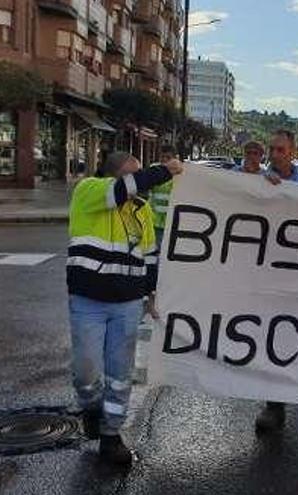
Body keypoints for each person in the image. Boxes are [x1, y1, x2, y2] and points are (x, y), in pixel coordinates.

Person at [67, 152, 183, 466]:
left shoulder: (141, 210)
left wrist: (151, 292)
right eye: (134, 176)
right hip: (88, 301)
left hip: (127, 304)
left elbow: (149, 254)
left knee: (120, 374)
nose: (140, 183)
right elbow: (127, 186)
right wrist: (163, 171)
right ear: (116, 176)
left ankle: (111, 435)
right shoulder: (88, 190)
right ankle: (91, 408)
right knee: (86, 371)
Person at [254, 129, 298, 435]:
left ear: (293, 152)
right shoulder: (256, 182)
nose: (275, 154)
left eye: (281, 149)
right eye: (272, 149)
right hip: (269, 275)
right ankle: (274, 405)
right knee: (271, 337)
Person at [149, 145, 179, 248]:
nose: (165, 160)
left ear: (175, 158)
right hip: (153, 218)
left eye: (168, 157)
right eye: (162, 156)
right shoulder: (154, 168)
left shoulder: (179, 173)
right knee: (154, 248)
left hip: (170, 219)